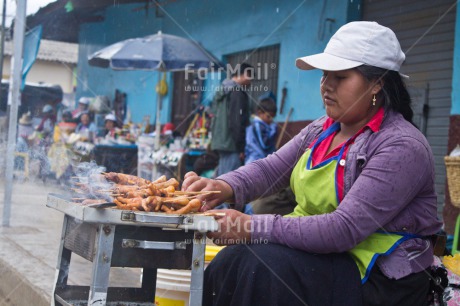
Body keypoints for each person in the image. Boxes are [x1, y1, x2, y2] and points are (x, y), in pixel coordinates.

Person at [182, 21, 442, 306]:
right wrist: (221, 186)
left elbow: (342, 229)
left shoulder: (401, 146)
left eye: (340, 77)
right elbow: (271, 169)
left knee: (262, 266)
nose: (326, 85)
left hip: (378, 278)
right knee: (232, 262)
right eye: (324, 74)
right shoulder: (321, 130)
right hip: (324, 257)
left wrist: (251, 227)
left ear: (377, 83)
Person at [210, 62, 252, 176]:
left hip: (221, 141)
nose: (251, 80)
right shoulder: (237, 92)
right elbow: (236, 121)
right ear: (243, 74)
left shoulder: (223, 90)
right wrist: (241, 147)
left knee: (222, 177)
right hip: (231, 143)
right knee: (229, 180)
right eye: (250, 75)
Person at [244, 92, 278, 165]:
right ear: (260, 113)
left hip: (260, 161)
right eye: (269, 116)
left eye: (273, 117)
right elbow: (264, 144)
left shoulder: (264, 125)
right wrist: (273, 130)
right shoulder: (258, 126)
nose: (271, 120)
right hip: (254, 161)